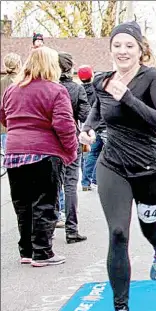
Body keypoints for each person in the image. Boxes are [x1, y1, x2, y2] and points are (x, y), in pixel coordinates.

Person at [79, 21, 156, 311]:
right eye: (117, 45)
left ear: (139, 49)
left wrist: (129, 99)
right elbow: (97, 108)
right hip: (113, 166)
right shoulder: (101, 81)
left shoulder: (152, 78)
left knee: (149, 229)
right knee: (118, 233)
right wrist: (89, 128)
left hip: (152, 170)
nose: (122, 51)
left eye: (129, 46)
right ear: (110, 49)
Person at [0, 46, 78, 266]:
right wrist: (70, 151)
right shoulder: (55, 90)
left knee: (22, 205)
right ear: (51, 65)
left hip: (15, 152)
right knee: (45, 203)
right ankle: (43, 252)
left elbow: (3, 116)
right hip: (44, 153)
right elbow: (64, 125)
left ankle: (26, 251)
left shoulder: (12, 90)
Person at [56, 52, 90, 243]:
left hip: (51, 142)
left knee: (53, 185)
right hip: (71, 140)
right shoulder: (76, 89)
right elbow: (85, 115)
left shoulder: (48, 87)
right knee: (70, 185)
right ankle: (71, 229)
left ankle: (50, 227)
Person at [78, 65, 105, 191]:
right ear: (91, 76)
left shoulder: (79, 90)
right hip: (100, 125)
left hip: (85, 126)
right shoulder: (97, 90)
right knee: (100, 153)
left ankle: (85, 182)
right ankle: (95, 179)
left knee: (89, 154)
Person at [1, 53, 22, 151]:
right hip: (19, 126)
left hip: (4, 126)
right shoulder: (22, 82)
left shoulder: (2, 82)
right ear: (18, 65)